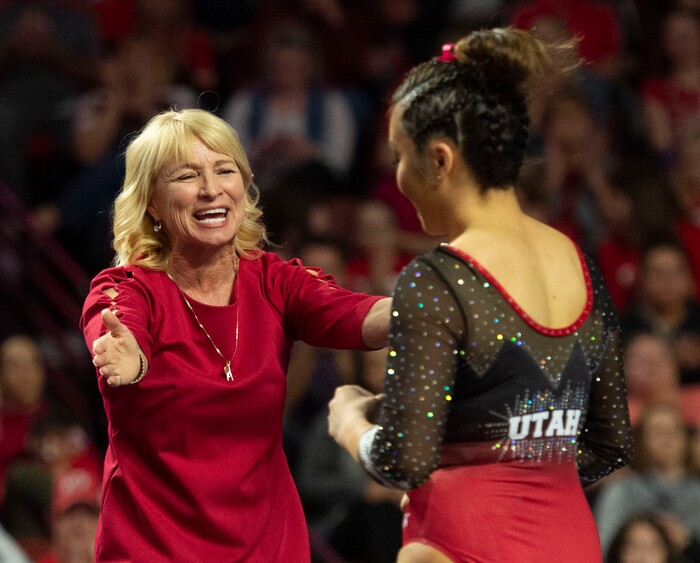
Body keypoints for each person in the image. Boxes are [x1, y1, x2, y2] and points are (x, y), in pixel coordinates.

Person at [328, 29, 633, 562]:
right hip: (570, 541)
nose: (397, 177)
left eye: (401, 155)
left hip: (461, 541)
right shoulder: (579, 264)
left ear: (440, 159)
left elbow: (403, 462)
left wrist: (349, 421)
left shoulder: (440, 278)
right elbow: (610, 444)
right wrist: (527, 474)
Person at [80, 108, 391, 561]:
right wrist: (131, 359)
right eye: (187, 176)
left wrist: (433, 306)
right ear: (151, 202)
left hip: (270, 548)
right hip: (155, 549)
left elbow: (358, 315)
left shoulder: (274, 281)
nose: (211, 189)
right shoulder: (127, 289)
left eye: (225, 170)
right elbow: (116, 327)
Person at [594, 404, 700, 559]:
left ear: (685, 437)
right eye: (658, 431)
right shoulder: (622, 490)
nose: (667, 439)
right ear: (642, 440)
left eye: (674, 430)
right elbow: (603, 548)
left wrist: (689, 542)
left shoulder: (697, 495)